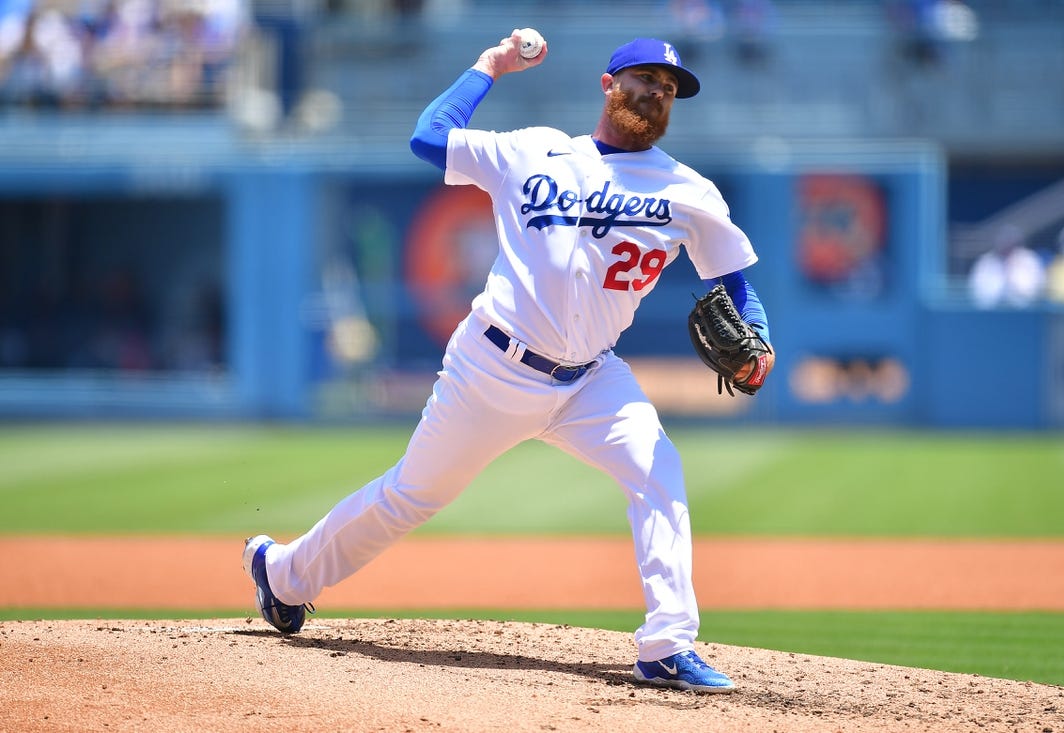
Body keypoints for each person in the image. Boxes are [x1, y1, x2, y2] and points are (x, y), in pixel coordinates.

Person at [243, 31, 774, 695]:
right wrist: (489, 67)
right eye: (644, 80)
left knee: (657, 468)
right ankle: (283, 572)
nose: (657, 94)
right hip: (492, 367)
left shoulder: (687, 191)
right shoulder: (533, 150)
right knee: (412, 494)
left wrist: (757, 335)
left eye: (668, 89)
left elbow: (737, 281)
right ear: (608, 87)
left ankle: (667, 644)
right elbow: (428, 137)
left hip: (591, 379)